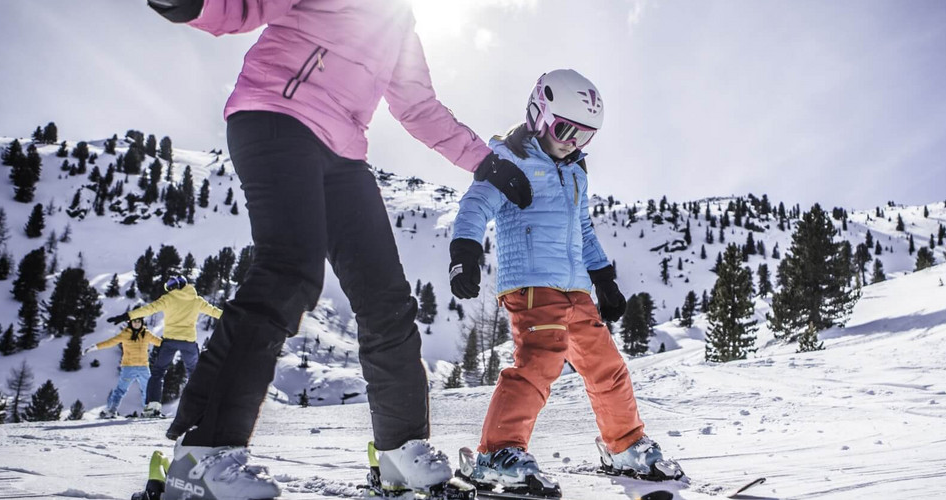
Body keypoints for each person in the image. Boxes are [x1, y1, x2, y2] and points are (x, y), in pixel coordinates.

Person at [144, 0, 535, 498]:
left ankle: (401, 451)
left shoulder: (399, 24)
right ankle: (203, 453)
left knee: (387, 300)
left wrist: (486, 162)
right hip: (276, 117)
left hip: (343, 153)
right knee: (288, 270)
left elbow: (418, 106)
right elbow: (243, 7)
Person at [448, 69, 684, 496]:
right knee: (540, 362)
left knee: (606, 366)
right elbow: (475, 205)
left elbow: (584, 229)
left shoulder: (575, 171)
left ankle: (625, 445)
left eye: (585, 135)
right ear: (538, 113)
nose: (573, 141)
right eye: (564, 128)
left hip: (576, 288)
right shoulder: (509, 162)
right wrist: (465, 253)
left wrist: (604, 278)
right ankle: (497, 453)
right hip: (533, 284)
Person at [105, 275, 222, 418]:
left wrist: (126, 316)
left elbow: (148, 309)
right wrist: (236, 317)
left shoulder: (168, 299)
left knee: (158, 372)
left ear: (176, 286)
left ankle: (152, 407)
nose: (170, 288)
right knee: (194, 372)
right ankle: (199, 406)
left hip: (170, 341)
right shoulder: (196, 300)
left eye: (171, 286)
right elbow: (215, 312)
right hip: (188, 342)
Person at [84, 317, 163, 418]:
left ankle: (148, 411)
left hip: (143, 367)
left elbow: (159, 342)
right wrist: (95, 347)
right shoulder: (125, 334)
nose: (137, 324)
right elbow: (110, 342)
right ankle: (111, 410)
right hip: (128, 367)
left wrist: (175, 344)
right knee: (121, 390)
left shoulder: (146, 333)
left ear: (142, 322)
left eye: (139, 321)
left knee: (147, 390)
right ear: (130, 323)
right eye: (134, 321)